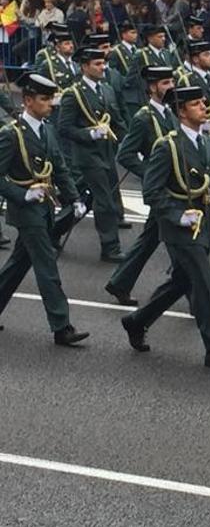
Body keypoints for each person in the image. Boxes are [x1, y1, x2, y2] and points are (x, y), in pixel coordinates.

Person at [119, 85, 210, 370]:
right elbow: (151, 192)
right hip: (179, 228)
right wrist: (178, 215)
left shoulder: (209, 143)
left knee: (182, 281)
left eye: (203, 102)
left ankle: (137, 321)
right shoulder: (168, 146)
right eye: (197, 104)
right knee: (202, 282)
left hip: (204, 224)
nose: (204, 107)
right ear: (181, 111)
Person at [0, 74, 88, 346]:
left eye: (51, 98)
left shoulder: (46, 129)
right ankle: (62, 326)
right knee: (46, 265)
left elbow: (59, 168)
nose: (50, 104)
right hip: (26, 211)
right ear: (27, 101)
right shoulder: (11, 134)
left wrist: (74, 199)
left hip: (44, 208)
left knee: (18, 264)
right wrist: (22, 193)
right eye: (44, 98)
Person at [105, 65, 177, 306]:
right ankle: (197, 291)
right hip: (162, 190)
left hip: (175, 188)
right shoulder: (144, 118)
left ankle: (120, 283)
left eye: (171, 82)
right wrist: (151, 174)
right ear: (152, 87)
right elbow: (125, 154)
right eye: (165, 83)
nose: (171, 87)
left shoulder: (171, 112)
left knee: (153, 241)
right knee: (183, 246)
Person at [57, 47, 126, 262]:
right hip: (87, 155)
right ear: (84, 67)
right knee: (104, 202)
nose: (102, 67)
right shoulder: (74, 93)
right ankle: (110, 247)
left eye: (103, 62)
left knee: (86, 199)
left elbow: (117, 120)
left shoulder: (106, 90)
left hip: (106, 153)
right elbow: (64, 128)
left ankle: (52, 231)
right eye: (97, 64)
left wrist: (130, 143)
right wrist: (90, 134)